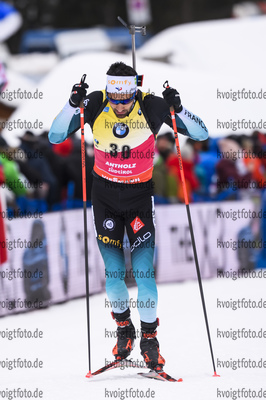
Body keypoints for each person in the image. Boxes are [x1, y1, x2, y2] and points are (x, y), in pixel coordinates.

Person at [48, 61, 208, 373]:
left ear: (134, 92)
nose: (120, 106)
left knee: (144, 273)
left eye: (125, 99)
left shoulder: (150, 105)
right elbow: (55, 137)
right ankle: (124, 330)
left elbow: (201, 132)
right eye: (115, 99)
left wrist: (180, 107)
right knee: (114, 275)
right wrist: (71, 104)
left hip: (138, 199)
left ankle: (150, 339)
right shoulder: (95, 102)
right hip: (104, 198)